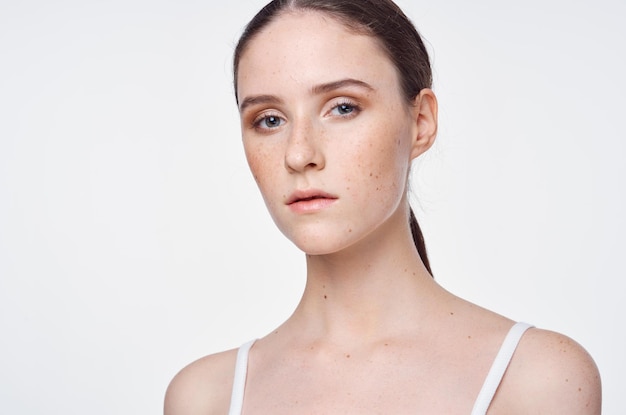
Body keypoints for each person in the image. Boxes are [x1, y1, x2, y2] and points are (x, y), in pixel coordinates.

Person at [165, 0, 602, 413]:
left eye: (342, 107)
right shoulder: (205, 398)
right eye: (270, 120)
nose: (298, 155)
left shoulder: (536, 379)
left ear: (421, 122)